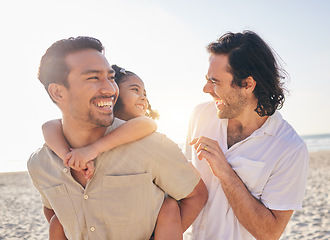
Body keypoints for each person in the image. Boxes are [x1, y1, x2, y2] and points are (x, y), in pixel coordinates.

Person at [27, 36, 208, 240]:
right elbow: (55, 214)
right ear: (58, 92)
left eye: (111, 78)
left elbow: (195, 196)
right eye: (93, 78)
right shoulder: (40, 163)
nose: (110, 89)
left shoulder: (151, 145)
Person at [183, 31, 308, 240]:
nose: (206, 89)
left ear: (247, 85)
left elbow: (269, 233)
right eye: (207, 79)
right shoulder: (200, 115)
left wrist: (225, 172)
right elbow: (184, 188)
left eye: (215, 82)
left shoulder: (290, 148)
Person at [43, 64, 184, 240]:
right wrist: (68, 156)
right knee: (57, 221)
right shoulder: (92, 128)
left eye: (145, 94)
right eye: (135, 90)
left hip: (147, 218)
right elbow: (49, 126)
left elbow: (149, 124)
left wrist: (90, 151)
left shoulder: (144, 129)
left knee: (169, 206)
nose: (143, 98)